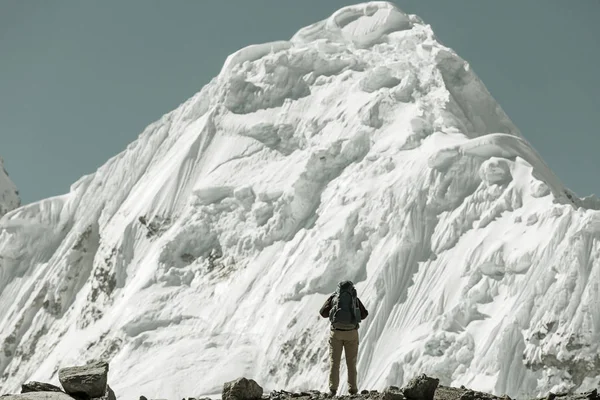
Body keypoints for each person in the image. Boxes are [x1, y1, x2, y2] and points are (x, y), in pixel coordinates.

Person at [319, 280, 368, 396]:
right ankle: (353, 390)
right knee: (351, 363)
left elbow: (323, 313)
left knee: (334, 362)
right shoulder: (354, 298)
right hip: (351, 333)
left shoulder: (334, 297)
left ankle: (333, 390)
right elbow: (364, 314)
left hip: (336, 333)